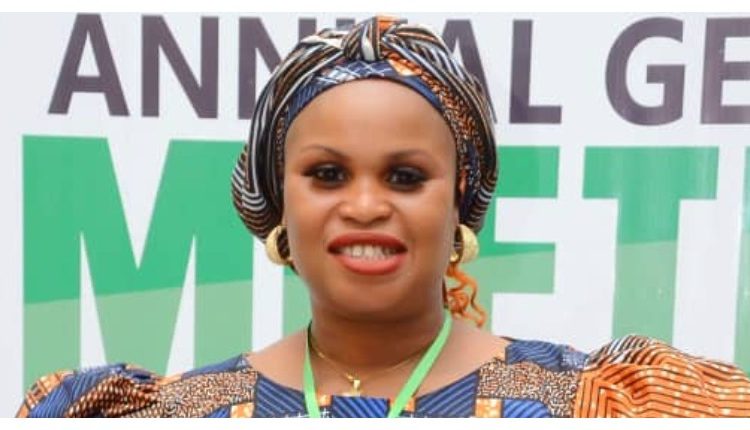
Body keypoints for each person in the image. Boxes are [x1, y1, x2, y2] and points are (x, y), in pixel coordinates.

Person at [17, 15, 750, 418]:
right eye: (327, 174)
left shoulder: (593, 404)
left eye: (405, 177)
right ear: (279, 201)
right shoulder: (174, 413)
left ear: (458, 200)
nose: (366, 207)